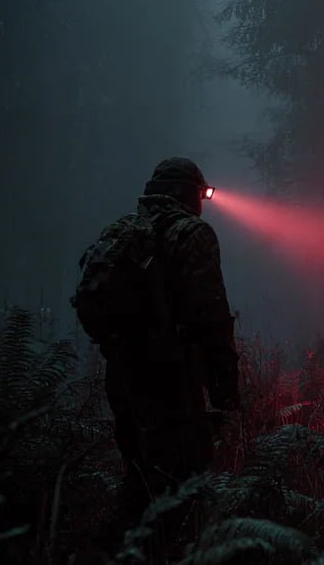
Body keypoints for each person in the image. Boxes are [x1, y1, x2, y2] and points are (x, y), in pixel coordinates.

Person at [79, 156, 240, 511]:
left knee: (139, 476)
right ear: (190, 193)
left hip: (122, 377)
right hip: (171, 378)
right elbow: (210, 314)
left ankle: (124, 550)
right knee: (181, 484)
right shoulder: (192, 234)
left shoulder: (121, 230)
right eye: (204, 193)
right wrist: (226, 390)